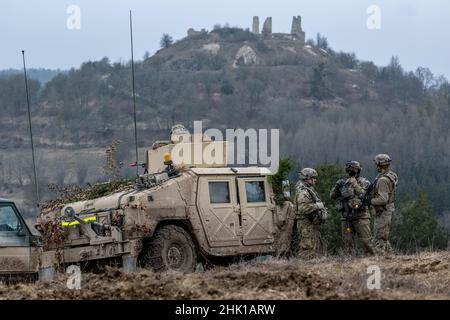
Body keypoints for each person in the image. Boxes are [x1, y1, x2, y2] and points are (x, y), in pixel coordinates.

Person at [330, 161, 374, 256]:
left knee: (367, 242)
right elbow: (332, 196)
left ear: (359, 170)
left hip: (361, 217)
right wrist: (337, 187)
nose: (352, 171)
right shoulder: (342, 182)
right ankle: (349, 264)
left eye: (354, 169)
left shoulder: (364, 182)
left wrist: (356, 185)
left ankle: (372, 260)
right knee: (347, 243)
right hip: (346, 217)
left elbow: (366, 196)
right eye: (350, 169)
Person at [295, 168, 327, 259]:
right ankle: (303, 268)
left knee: (314, 247)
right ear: (307, 178)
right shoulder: (303, 192)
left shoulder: (307, 189)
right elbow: (303, 208)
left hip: (310, 223)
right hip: (306, 223)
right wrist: (317, 206)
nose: (315, 180)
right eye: (313, 178)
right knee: (307, 248)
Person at [370, 154, 398, 255]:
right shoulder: (391, 175)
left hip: (383, 211)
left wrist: (371, 201)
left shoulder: (382, 180)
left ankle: (380, 262)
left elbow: (383, 199)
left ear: (379, 165)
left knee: (378, 239)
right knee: (383, 238)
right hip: (386, 210)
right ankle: (392, 258)